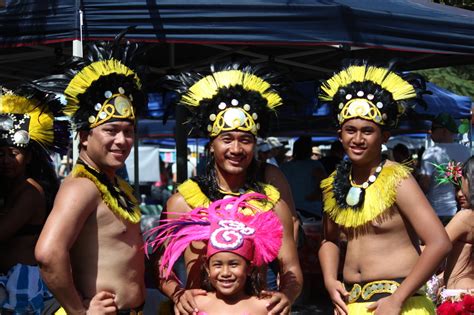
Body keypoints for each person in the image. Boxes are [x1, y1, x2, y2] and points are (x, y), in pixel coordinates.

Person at [159, 63, 303, 315]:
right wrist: (178, 293)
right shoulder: (182, 202)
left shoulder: (272, 204)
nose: (236, 149)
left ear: (255, 145)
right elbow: (162, 270)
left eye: (245, 140)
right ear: (211, 144)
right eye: (227, 139)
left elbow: (291, 268)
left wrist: (286, 296)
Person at [317, 62, 452, 315]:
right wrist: (329, 280)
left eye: (367, 131)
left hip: (399, 304)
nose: (358, 139)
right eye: (351, 131)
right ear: (340, 134)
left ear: (385, 137)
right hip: (353, 305)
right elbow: (330, 239)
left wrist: (398, 299)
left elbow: (439, 242)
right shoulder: (334, 183)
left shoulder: (397, 179)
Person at [34, 34, 148, 314]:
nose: (122, 141)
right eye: (111, 131)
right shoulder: (82, 187)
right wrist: (78, 312)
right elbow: (48, 254)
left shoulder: (114, 184)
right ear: (84, 137)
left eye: (128, 131)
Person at [147, 193, 283, 315]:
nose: (225, 272)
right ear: (207, 267)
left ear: (249, 268)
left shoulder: (266, 307)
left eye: (233, 264)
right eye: (218, 264)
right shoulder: (194, 305)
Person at [0, 85, 68, 314]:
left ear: (28, 157)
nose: (7, 160)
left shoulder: (30, 191)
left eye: (14, 154)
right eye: (2, 154)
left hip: (22, 283)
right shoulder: (13, 188)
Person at [434, 158, 473, 314]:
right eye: (455, 188)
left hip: (460, 300)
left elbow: (433, 248)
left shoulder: (465, 217)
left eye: (463, 186)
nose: (459, 194)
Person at [419, 113, 471, 225]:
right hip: (461, 211)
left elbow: (424, 185)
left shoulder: (431, 152)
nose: (430, 131)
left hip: (437, 212)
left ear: (444, 131)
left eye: (433, 128)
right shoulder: (466, 151)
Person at [280, 136, 327, 218]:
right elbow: (325, 186)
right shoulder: (315, 165)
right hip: (311, 211)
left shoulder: (284, 166)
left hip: (289, 211)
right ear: (309, 150)